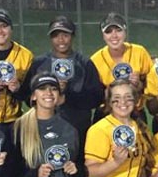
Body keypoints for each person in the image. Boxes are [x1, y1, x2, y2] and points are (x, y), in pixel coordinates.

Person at [21, 15, 105, 147]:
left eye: (65, 35)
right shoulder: (39, 63)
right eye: (56, 35)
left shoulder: (84, 64)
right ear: (51, 38)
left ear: (73, 36)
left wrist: (68, 96)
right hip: (44, 129)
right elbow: (27, 96)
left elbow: (97, 98)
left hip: (78, 128)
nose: (61, 40)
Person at [91, 12, 153, 122]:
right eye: (108, 31)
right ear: (103, 35)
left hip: (135, 111)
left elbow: (152, 83)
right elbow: (95, 95)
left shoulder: (139, 52)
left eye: (118, 30)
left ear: (125, 32)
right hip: (106, 113)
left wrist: (138, 84)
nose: (114, 36)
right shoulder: (95, 60)